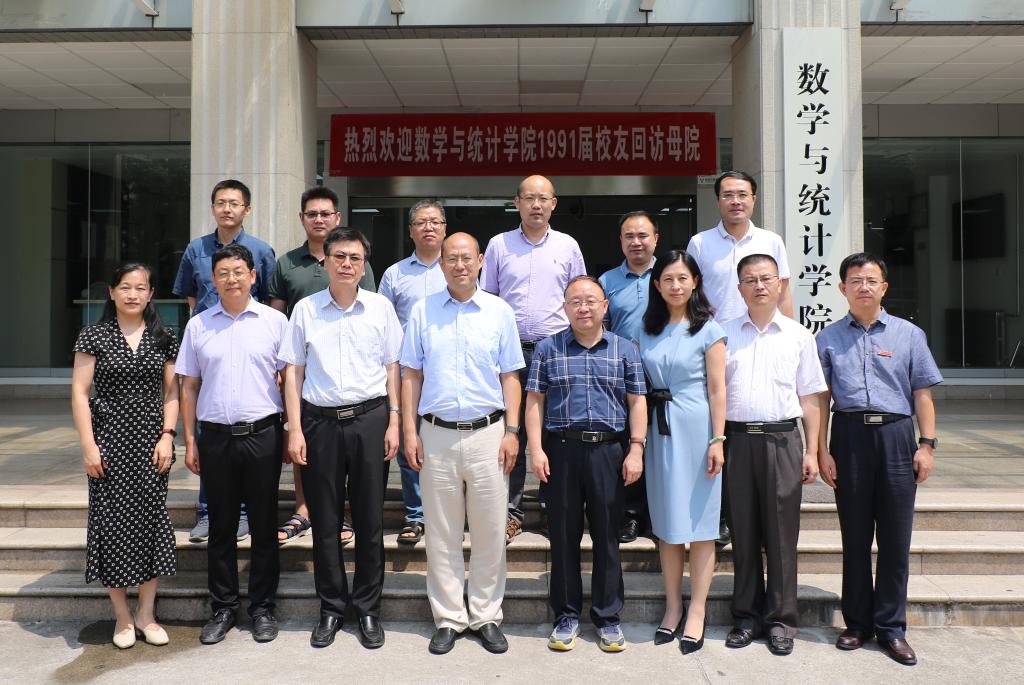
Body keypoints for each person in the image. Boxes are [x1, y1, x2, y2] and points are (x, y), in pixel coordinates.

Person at [816, 253, 942, 667]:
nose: (864, 287)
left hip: (896, 437)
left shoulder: (909, 335)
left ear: (884, 287)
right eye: (856, 280)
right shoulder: (828, 338)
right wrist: (821, 449)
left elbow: (922, 393)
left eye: (871, 280)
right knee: (854, 537)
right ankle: (856, 623)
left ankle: (891, 628)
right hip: (849, 436)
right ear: (843, 288)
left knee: (895, 538)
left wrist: (926, 445)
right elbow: (821, 399)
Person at [401, 232, 524, 655]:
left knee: (490, 530)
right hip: (435, 433)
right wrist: (410, 431)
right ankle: (450, 617)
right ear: (441, 265)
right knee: (441, 532)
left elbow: (510, 375)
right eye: (451, 258)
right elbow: (411, 375)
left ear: (480, 261)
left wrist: (512, 431)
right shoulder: (422, 311)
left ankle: (486, 614)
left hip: (489, 434)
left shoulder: (499, 311)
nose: (459, 265)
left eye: (466, 258)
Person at [280, 227, 401, 649]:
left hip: (371, 419)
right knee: (325, 521)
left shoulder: (381, 308)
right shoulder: (305, 310)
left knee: (370, 520)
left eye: (355, 258)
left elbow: (393, 367)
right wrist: (295, 428)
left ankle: (367, 608)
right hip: (320, 423)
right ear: (326, 261)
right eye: (339, 257)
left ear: (364, 265)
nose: (347, 264)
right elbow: (293, 371)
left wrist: (395, 421)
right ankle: (331, 607)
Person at [526, 276, 647, 653]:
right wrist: (536, 449)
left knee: (607, 536)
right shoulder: (548, 348)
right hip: (561, 450)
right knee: (562, 536)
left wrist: (636, 449)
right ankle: (566, 616)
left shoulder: (624, 349)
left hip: (609, 452)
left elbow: (637, 401)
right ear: (565, 308)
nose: (583, 308)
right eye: (575, 301)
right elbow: (535, 401)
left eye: (591, 300)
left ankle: (608, 618)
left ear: (604, 306)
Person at [177, 244, 288, 645]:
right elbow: (189, 386)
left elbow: (289, 381)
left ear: (253, 276)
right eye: (223, 273)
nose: (231, 279)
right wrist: (190, 440)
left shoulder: (275, 322)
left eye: (239, 271)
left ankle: (262, 608)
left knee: (263, 525)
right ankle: (223, 608)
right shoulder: (199, 325)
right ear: (213, 279)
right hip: (216, 438)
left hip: (263, 435)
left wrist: (291, 431)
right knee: (221, 527)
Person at [721, 254, 826, 656]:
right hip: (737, 441)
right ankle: (746, 616)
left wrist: (812, 450)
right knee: (743, 532)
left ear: (780, 284)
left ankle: (781, 620)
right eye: (750, 280)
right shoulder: (723, 333)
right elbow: (715, 393)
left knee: (782, 535)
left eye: (766, 278)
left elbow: (810, 397)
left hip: (783, 440)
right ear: (739, 288)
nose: (759, 286)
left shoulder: (799, 336)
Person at [70, 262, 179, 649]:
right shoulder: (94, 335)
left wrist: (168, 436)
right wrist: (88, 445)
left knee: (150, 522)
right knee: (112, 526)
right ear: (112, 292)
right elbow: (80, 393)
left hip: (151, 444)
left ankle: (146, 613)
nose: (133, 294)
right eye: (125, 287)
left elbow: (172, 393)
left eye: (141, 287)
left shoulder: (164, 336)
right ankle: (122, 616)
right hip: (109, 443)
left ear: (151, 294)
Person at [686, 170, 793, 548]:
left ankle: (754, 516)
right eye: (728, 195)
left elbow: (784, 293)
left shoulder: (771, 241)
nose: (736, 201)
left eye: (742, 194)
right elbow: (691, 295)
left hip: (761, 340)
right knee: (717, 428)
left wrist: (788, 338)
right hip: (714, 346)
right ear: (717, 200)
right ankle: (721, 515)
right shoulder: (700, 243)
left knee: (749, 422)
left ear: (754, 200)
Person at [481, 174, 586, 544]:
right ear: (517, 203)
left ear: (553, 204)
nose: (536, 205)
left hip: (556, 350)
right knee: (512, 433)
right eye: (529, 198)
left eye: (543, 198)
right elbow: (488, 300)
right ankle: (510, 514)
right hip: (510, 353)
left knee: (554, 433)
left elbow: (580, 297)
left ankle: (551, 509)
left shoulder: (568, 246)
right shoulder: (499, 245)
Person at [268, 186, 373, 548]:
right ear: (302, 218)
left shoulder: (356, 261)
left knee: (344, 453)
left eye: (325, 213)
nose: (319, 219)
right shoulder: (286, 263)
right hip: (303, 368)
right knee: (303, 443)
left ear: (337, 217)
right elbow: (278, 317)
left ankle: (338, 513)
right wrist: (281, 366)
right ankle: (304, 508)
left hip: (347, 372)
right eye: (312, 214)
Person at [173, 179, 276, 543]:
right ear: (212, 207)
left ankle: (244, 514)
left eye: (234, 203)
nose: (227, 208)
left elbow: (270, 298)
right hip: (210, 343)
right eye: (220, 202)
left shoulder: (261, 250)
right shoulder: (196, 248)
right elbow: (191, 299)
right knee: (211, 431)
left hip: (248, 342)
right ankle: (207, 512)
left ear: (247, 209)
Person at [637, 250, 726, 654]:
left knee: (702, 525)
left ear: (695, 282)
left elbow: (718, 389)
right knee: (669, 524)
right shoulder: (645, 330)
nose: (676, 286)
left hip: (697, 429)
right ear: (657, 285)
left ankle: (698, 611)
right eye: (668, 279)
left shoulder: (709, 329)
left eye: (683, 278)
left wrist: (718, 439)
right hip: (659, 431)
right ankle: (673, 607)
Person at [379, 199, 450, 546]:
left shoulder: (456, 267)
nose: (428, 227)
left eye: (435, 221)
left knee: (448, 443)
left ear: (445, 228)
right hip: (408, 371)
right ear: (410, 231)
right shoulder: (394, 274)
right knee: (412, 442)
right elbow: (382, 322)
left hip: (448, 370)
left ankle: (448, 514)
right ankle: (416, 515)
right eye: (421, 222)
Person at [599, 210, 659, 544]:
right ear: (621, 241)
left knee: (662, 447)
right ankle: (632, 515)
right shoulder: (607, 281)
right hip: (622, 377)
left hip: (665, 374)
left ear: (656, 239)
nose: (636, 242)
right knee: (629, 445)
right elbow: (601, 330)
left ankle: (661, 514)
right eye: (629, 236)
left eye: (643, 235)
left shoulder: (669, 274)